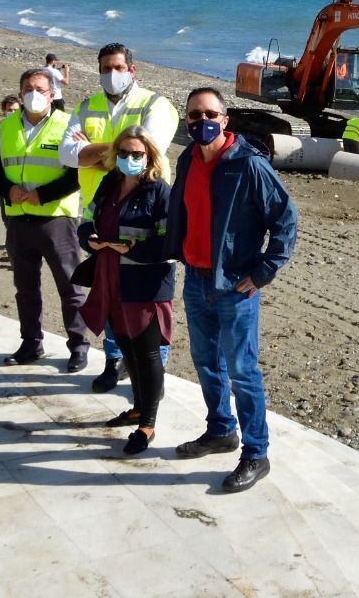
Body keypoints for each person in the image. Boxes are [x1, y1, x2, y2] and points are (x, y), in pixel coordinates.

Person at [166, 87, 296, 492]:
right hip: (196, 279)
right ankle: (221, 429)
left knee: (242, 370)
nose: (202, 121)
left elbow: (285, 221)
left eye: (210, 114)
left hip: (235, 286)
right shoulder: (188, 157)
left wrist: (263, 272)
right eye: (194, 115)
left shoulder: (249, 164)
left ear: (224, 120)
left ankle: (256, 453)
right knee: (206, 361)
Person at [59, 42, 179, 393]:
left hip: (147, 213)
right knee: (111, 295)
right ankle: (113, 362)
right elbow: (67, 154)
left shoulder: (156, 105)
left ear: (132, 70)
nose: (111, 74)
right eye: (105, 68)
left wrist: (92, 151)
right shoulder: (87, 106)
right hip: (104, 211)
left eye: (118, 68)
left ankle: (154, 373)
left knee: (151, 302)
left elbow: (148, 149)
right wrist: (115, 151)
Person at [0, 69, 90, 373]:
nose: (34, 93)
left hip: (56, 219)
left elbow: (77, 173)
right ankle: (31, 343)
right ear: (20, 93)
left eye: (40, 89)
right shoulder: (5, 127)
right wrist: (7, 190)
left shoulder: (68, 125)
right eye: (28, 88)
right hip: (18, 219)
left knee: (70, 287)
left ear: (52, 94)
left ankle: (78, 346)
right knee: (25, 288)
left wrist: (42, 195)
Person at [80, 125, 175, 454]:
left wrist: (132, 249)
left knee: (147, 354)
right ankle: (137, 407)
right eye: (123, 153)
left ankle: (147, 424)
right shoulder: (109, 183)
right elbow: (87, 218)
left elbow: (169, 242)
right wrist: (89, 239)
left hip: (146, 285)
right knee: (126, 348)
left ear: (149, 156)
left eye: (137, 154)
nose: (129, 158)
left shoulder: (159, 192)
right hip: (111, 279)